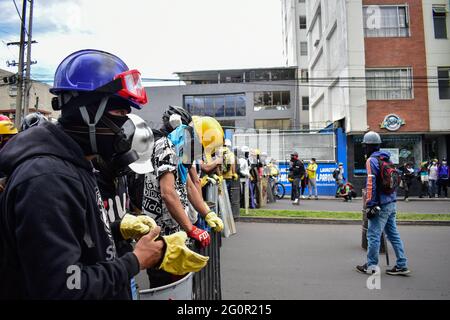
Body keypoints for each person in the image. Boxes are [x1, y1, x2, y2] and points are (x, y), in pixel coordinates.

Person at [0, 49, 167, 299]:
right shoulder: (47, 179)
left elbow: (73, 239)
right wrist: (135, 261)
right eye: (119, 113)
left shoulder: (77, 165)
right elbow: (62, 287)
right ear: (86, 111)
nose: (126, 126)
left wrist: (117, 228)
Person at [142, 106, 223, 288]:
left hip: (176, 230)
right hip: (161, 232)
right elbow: (167, 192)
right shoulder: (164, 146)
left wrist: (207, 213)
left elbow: (190, 186)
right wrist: (191, 228)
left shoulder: (180, 148)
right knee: (165, 287)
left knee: (180, 285)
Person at [356, 131, 410, 276]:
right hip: (391, 201)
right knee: (393, 234)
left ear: (368, 146)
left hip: (379, 204)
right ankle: (402, 265)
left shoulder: (371, 161)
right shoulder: (387, 159)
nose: (364, 149)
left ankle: (372, 266)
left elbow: (371, 183)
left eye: (365, 146)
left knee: (373, 235)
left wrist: (370, 204)